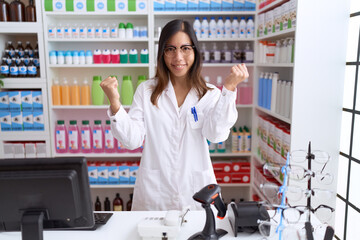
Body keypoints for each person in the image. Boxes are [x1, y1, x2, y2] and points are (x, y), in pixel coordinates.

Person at [100, 19, 249, 211]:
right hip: (155, 195)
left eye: (185, 48)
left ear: (195, 51)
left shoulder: (210, 94)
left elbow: (216, 135)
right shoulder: (146, 91)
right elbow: (132, 140)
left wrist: (228, 89)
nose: (178, 56)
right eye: (170, 49)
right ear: (162, 53)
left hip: (196, 191)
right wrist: (114, 102)